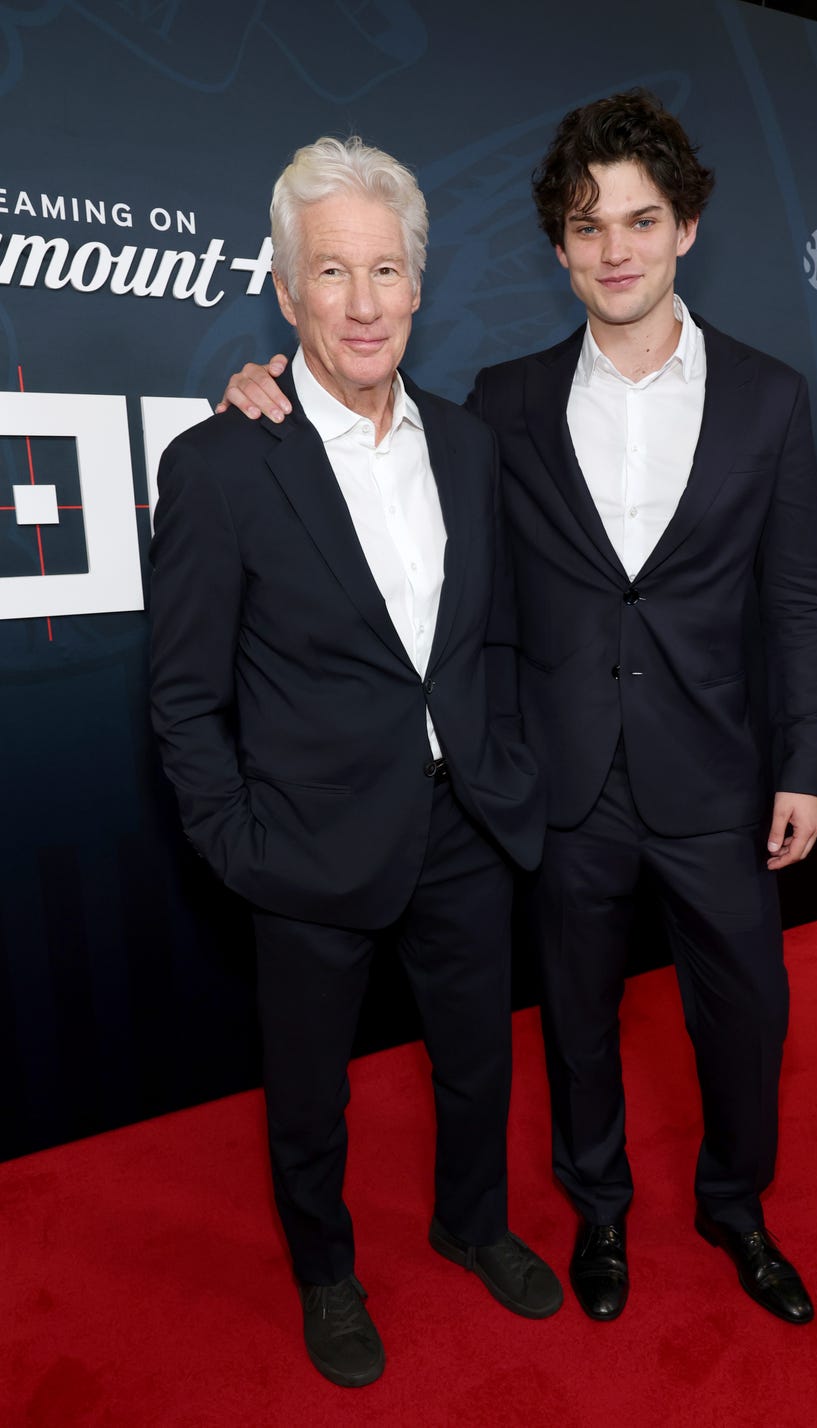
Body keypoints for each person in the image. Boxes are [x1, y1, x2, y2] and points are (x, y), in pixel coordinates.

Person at [219, 91, 817, 1329]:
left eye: (640, 220)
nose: (614, 247)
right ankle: (595, 1208)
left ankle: (734, 1205)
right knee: (575, 1023)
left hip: (715, 778)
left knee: (747, 1017)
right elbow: (366, 454)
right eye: (586, 223)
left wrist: (803, 762)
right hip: (558, 782)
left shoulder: (768, 397)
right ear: (555, 247)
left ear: (685, 230)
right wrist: (252, 392)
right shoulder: (499, 404)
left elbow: (799, 601)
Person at [150, 135, 561, 1391]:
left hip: (463, 824)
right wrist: (241, 847)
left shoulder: (471, 445)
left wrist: (503, 773)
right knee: (310, 1098)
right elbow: (181, 696)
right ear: (285, 291)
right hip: (305, 843)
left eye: (386, 270)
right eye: (332, 273)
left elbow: (490, 632)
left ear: (420, 285)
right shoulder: (220, 464)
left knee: (479, 1057)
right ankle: (326, 1271)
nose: (365, 302)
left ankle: (471, 1221)